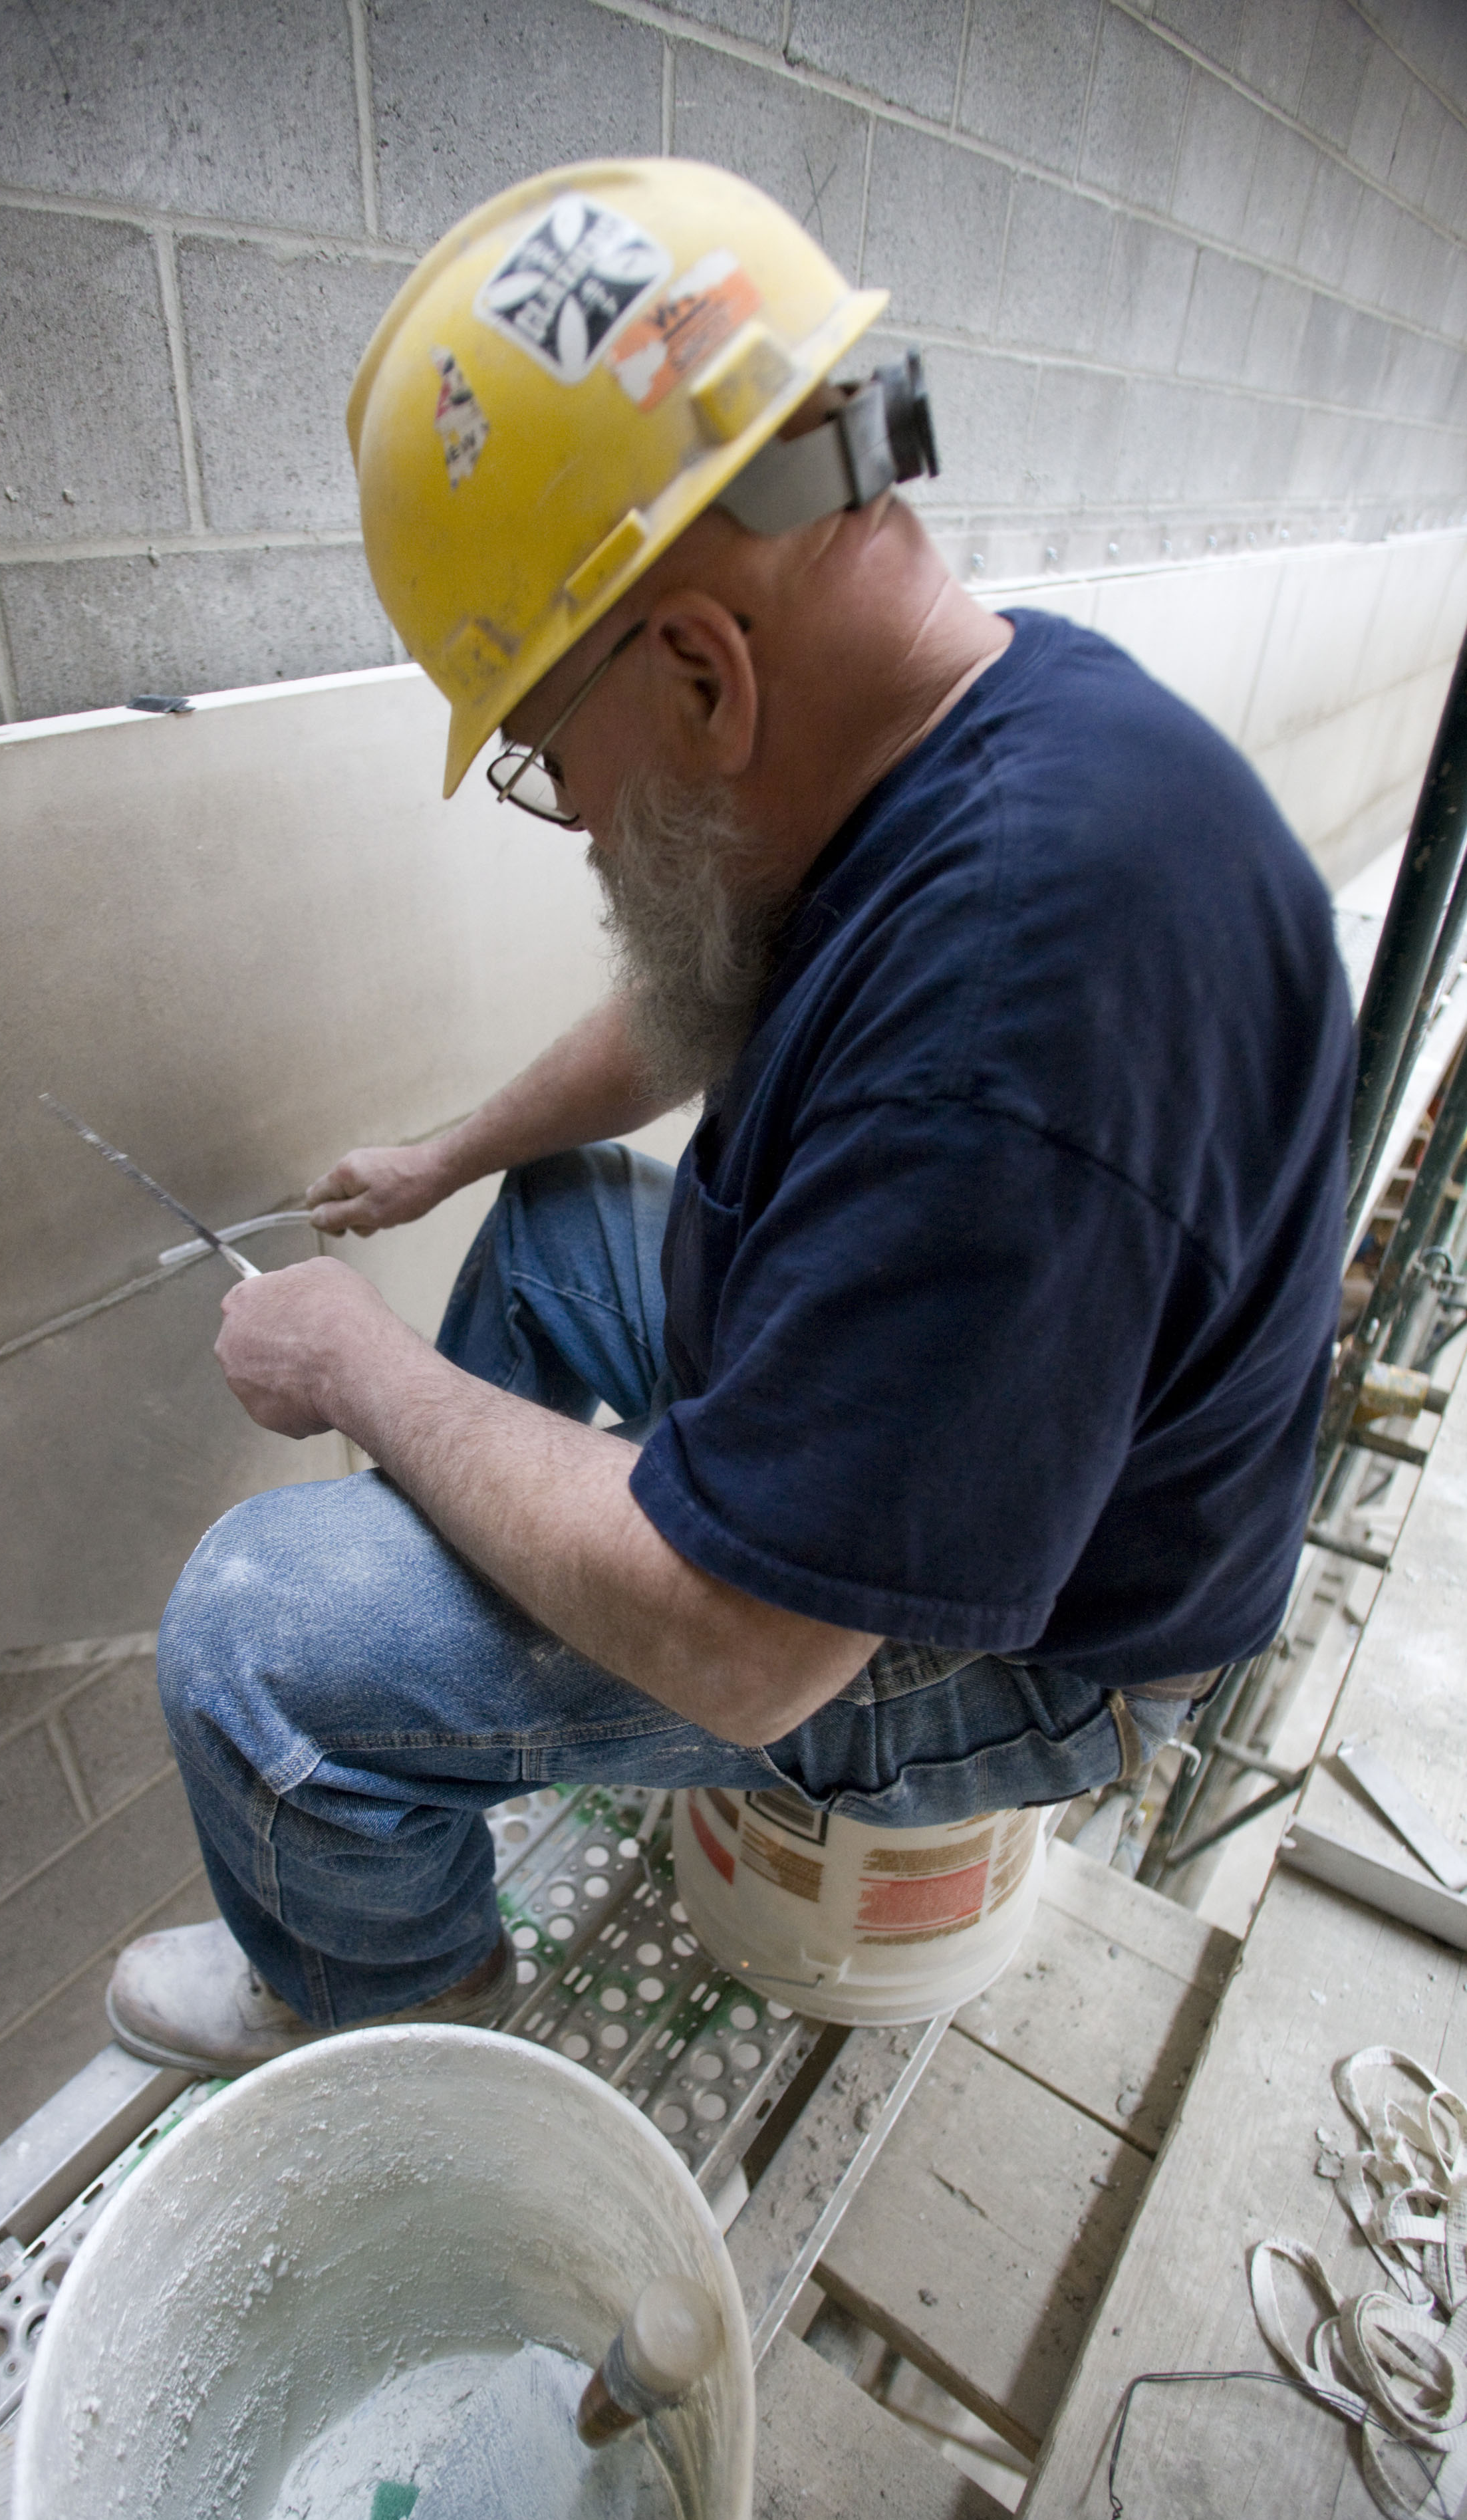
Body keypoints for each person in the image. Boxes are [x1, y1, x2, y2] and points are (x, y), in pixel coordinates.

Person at [106, 159, 1353, 2076]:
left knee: (253, 1633)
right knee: (553, 1227)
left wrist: (363, 1368)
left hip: (1045, 1651)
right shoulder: (987, 728)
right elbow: (710, 989)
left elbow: (749, 1647)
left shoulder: (1007, 1031)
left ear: (697, 668)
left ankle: (391, 2008)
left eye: (546, 758)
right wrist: (448, 1156)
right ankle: (423, 1751)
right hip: (1005, 1460)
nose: (576, 822)